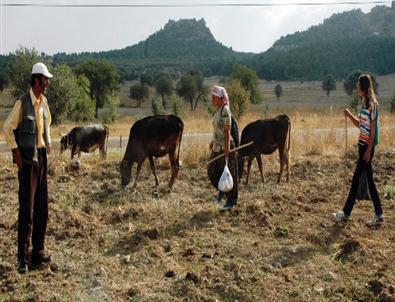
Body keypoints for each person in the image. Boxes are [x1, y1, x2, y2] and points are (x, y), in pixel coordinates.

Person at [3, 62, 53, 273]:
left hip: (41, 159)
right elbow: (7, 128)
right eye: (45, 80)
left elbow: (47, 122)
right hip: (27, 162)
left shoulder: (44, 102)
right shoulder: (22, 103)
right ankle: (22, 260)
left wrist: (47, 142)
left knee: (42, 208)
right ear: (36, 80)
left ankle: (38, 253)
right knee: (27, 210)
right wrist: (15, 151)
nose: (47, 83)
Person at [332, 74, 383, 227]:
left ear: (364, 86)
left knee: (356, 180)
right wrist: (349, 115)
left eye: (358, 83)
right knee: (370, 181)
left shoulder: (373, 105)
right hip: (362, 146)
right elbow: (360, 125)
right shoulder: (363, 103)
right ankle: (379, 215)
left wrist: (368, 150)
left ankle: (346, 214)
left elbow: (372, 130)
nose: (356, 85)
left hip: (367, 148)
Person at [207, 85, 238, 210]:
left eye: (214, 97)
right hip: (216, 146)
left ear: (220, 98)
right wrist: (212, 141)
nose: (212, 99)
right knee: (212, 170)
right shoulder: (217, 111)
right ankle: (222, 190)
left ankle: (231, 202)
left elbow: (227, 131)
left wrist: (227, 148)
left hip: (226, 146)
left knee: (230, 173)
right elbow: (217, 129)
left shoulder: (225, 110)